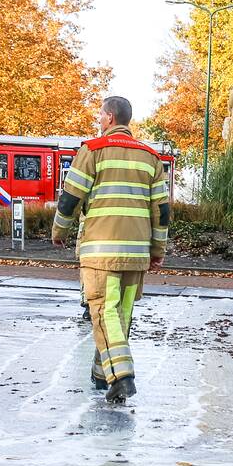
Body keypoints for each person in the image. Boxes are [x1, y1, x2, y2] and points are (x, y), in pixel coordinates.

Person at [51, 96, 169, 403]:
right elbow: (162, 210)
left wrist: (58, 231)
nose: (98, 121)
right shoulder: (150, 157)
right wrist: (158, 249)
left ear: (110, 117)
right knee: (121, 315)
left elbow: (70, 198)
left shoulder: (91, 151)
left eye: (100, 115)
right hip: (137, 252)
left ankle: (123, 376)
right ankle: (102, 376)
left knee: (103, 312)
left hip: (101, 250)